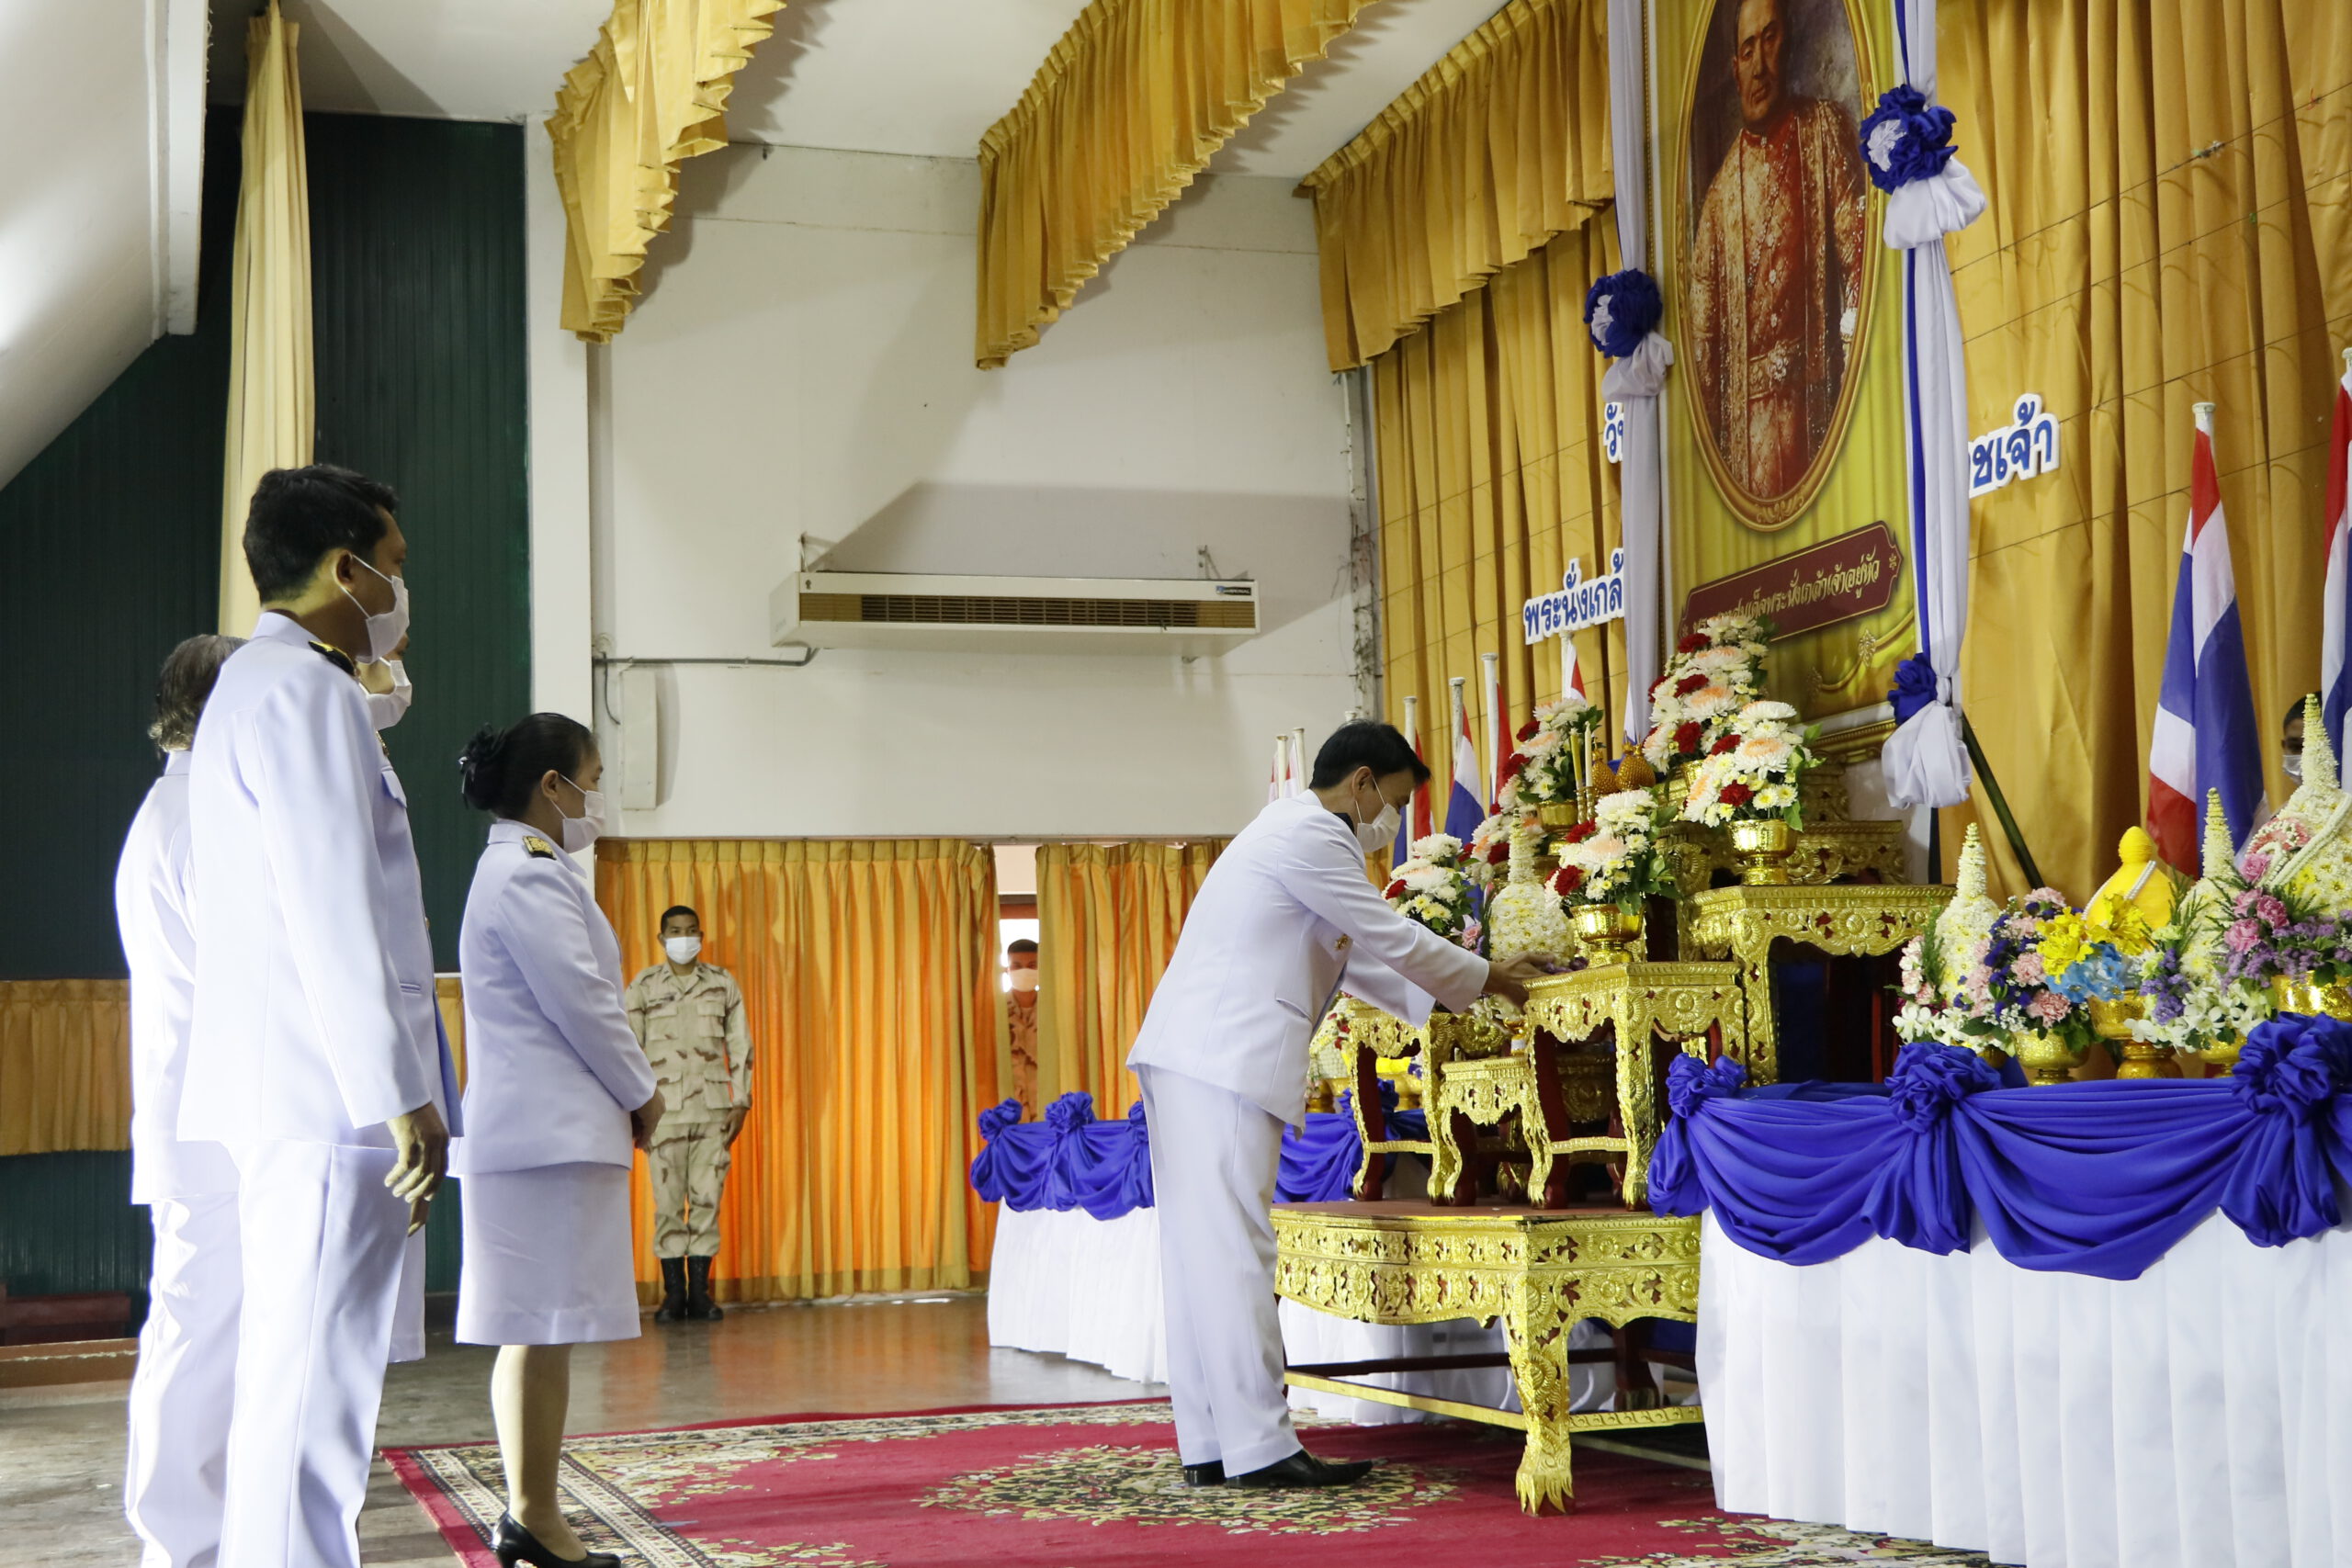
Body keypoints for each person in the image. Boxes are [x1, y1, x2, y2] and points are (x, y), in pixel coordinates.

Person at [1126, 721, 1549, 1489]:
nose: (1393, 820)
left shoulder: (1287, 832)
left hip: (1194, 1054)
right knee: (1235, 1252)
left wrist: (1460, 995)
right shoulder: (1315, 835)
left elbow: (1359, 961)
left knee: (1200, 1255)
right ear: (1360, 783)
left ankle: (1215, 1442)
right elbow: (1387, 933)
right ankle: (1260, 1447)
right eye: (1394, 801)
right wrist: (1494, 978)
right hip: (1223, 1059)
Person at [181, 464, 459, 1568]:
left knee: (290, 1386)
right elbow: (333, 903)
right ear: (345, 571)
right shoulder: (306, 692)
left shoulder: (261, 684)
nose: (399, 587)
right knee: (314, 1401)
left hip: (291, 1088)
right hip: (327, 1097)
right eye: (392, 565)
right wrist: (400, 1095)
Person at [454, 714, 663, 1568]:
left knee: (538, 1328)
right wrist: (644, 1093)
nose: (598, 798)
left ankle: (531, 1512)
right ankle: (535, 1517)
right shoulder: (528, 875)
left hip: (538, 1135)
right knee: (540, 1326)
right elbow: (585, 1002)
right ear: (553, 785)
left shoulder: (524, 867)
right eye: (594, 778)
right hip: (544, 1139)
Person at [117, 635, 243, 1568]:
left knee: (201, 1332)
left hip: (201, 1111)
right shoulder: (200, 815)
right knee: (198, 1337)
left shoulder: (174, 803)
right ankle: (180, 1543)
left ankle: (202, 1536)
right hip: (210, 1122)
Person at [1686, 0, 1869, 500]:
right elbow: (1704, 366)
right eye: (1748, 50)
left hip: (1825, 424)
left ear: (1789, 43)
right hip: (1749, 463)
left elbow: (1861, 267)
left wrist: (1853, 390)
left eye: (1769, 39)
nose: (1759, 65)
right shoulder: (1718, 202)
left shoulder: (1825, 131)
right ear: (1735, 68)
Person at [625, 906, 753, 1323]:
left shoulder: (721, 983)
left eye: (691, 930)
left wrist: (742, 1101)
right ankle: (672, 1296)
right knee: (667, 1205)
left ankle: (700, 1295)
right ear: (662, 938)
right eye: (676, 931)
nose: (684, 938)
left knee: (706, 1202)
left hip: (713, 1112)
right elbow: (627, 1050)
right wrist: (633, 1108)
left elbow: (741, 1045)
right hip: (661, 1114)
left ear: (701, 935)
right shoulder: (644, 986)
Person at [1003, 938, 1040, 1113]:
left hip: (1047, 1105)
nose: (1024, 971)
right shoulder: (994, 1009)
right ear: (1007, 970)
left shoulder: (1055, 1010)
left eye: (1032, 965)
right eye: (1017, 966)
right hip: (1006, 1107)